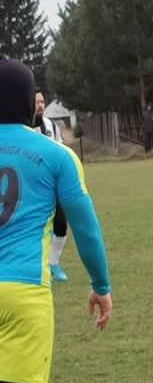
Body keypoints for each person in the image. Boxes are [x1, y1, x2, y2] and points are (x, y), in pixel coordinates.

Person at [0, 60, 113, 383]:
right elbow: (85, 226)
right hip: (23, 292)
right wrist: (101, 284)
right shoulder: (55, 154)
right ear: (32, 103)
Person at [32, 92, 72, 283]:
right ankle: (34, 265)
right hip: (31, 185)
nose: (40, 105)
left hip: (52, 184)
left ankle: (53, 263)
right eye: (36, 102)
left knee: (61, 224)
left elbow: (60, 152)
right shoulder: (22, 127)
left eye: (42, 101)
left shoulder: (52, 126)